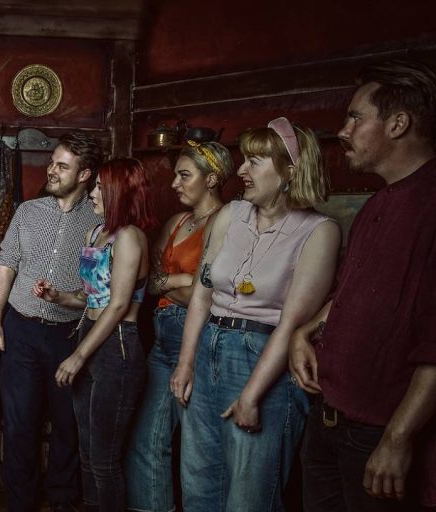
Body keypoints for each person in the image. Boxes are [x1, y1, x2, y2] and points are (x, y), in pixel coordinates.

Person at [171, 117, 341, 511]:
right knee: (198, 486)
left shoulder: (319, 231)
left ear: (290, 171)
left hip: (262, 359)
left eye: (255, 162)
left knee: (249, 498)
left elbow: (292, 324)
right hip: (208, 347)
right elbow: (202, 295)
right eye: (244, 160)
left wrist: (251, 395)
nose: (242, 170)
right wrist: (186, 362)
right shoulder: (230, 214)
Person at [289, 60, 436, 512]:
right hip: (330, 416)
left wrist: (398, 438)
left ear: (397, 123)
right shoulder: (377, 203)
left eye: (355, 117)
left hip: (380, 432)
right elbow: (352, 293)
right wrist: (306, 330)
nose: (343, 131)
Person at [0, 132, 103, 512]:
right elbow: (6, 264)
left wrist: (65, 298)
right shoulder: (28, 212)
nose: (51, 170)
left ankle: (63, 499)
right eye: (52, 162)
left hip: (69, 335)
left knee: (68, 423)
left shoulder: (99, 222)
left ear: (84, 175)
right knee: (19, 422)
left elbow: (99, 290)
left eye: (62, 166)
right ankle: (21, 502)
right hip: (20, 330)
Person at [33, 157, 157, 511]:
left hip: (117, 345)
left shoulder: (130, 237)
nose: (92, 193)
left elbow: (117, 306)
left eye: (101, 187)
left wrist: (78, 356)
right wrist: (58, 296)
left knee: (104, 460)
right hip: (89, 331)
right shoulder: (95, 233)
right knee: (87, 452)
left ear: (121, 191)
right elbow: (91, 298)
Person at [124, 141, 233, 512]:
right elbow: (148, 280)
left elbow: (212, 295)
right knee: (146, 441)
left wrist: (177, 283)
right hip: (161, 339)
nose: (174, 183)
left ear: (212, 179)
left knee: (198, 450)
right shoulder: (177, 222)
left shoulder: (226, 220)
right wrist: (183, 280)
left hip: (197, 340)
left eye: (184, 175)